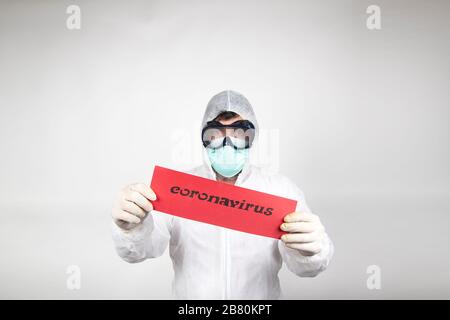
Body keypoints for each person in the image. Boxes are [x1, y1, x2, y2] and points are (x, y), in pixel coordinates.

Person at [111, 90, 334, 299]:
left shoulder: (280, 190)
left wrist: (312, 250)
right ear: (204, 137)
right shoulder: (177, 190)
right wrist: (131, 228)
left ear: (252, 136)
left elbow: (307, 268)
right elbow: (139, 252)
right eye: (216, 133)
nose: (227, 143)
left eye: (239, 132)